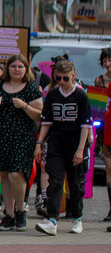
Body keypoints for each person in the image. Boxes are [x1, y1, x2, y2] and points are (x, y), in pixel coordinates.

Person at [35, 59, 91, 236]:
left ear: (73, 76)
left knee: (75, 183)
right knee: (56, 181)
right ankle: (52, 219)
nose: (61, 82)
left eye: (65, 78)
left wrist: (81, 149)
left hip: (75, 142)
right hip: (57, 142)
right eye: (58, 78)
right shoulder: (52, 94)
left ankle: (77, 218)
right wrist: (39, 143)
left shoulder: (81, 96)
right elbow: (46, 121)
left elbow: (85, 125)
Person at [0, 55, 42, 232]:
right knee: (4, 174)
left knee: (16, 174)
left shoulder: (31, 88)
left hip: (23, 136)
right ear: (8, 68)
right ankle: (9, 214)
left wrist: (25, 106)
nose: (17, 69)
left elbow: (39, 114)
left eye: (21, 66)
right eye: (13, 66)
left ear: (26, 69)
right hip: (2, 135)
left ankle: (21, 211)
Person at [94, 47, 111, 221]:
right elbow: (97, 109)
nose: (107, 64)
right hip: (106, 130)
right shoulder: (100, 80)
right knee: (109, 170)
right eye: (105, 61)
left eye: (110, 60)